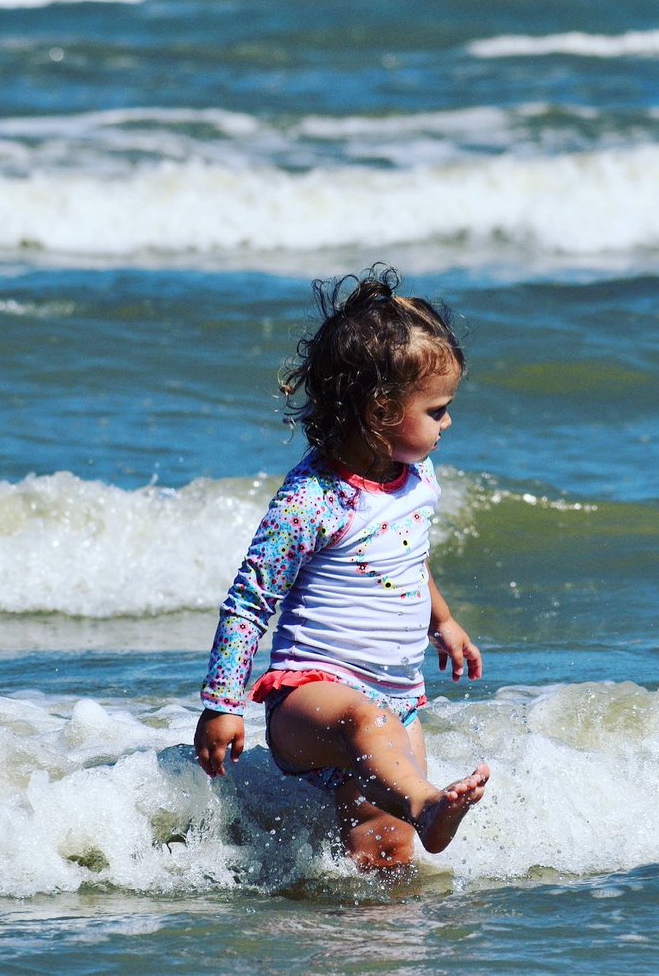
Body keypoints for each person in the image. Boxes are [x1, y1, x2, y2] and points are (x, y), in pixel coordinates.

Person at [194, 264, 489, 869]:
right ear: (382, 413)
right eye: (436, 410)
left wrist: (444, 618)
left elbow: (405, 555)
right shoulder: (313, 500)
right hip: (311, 697)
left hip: (398, 695)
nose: (448, 423)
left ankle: (358, 945)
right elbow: (251, 601)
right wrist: (223, 703)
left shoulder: (418, 477)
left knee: (383, 853)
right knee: (371, 729)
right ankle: (431, 808)